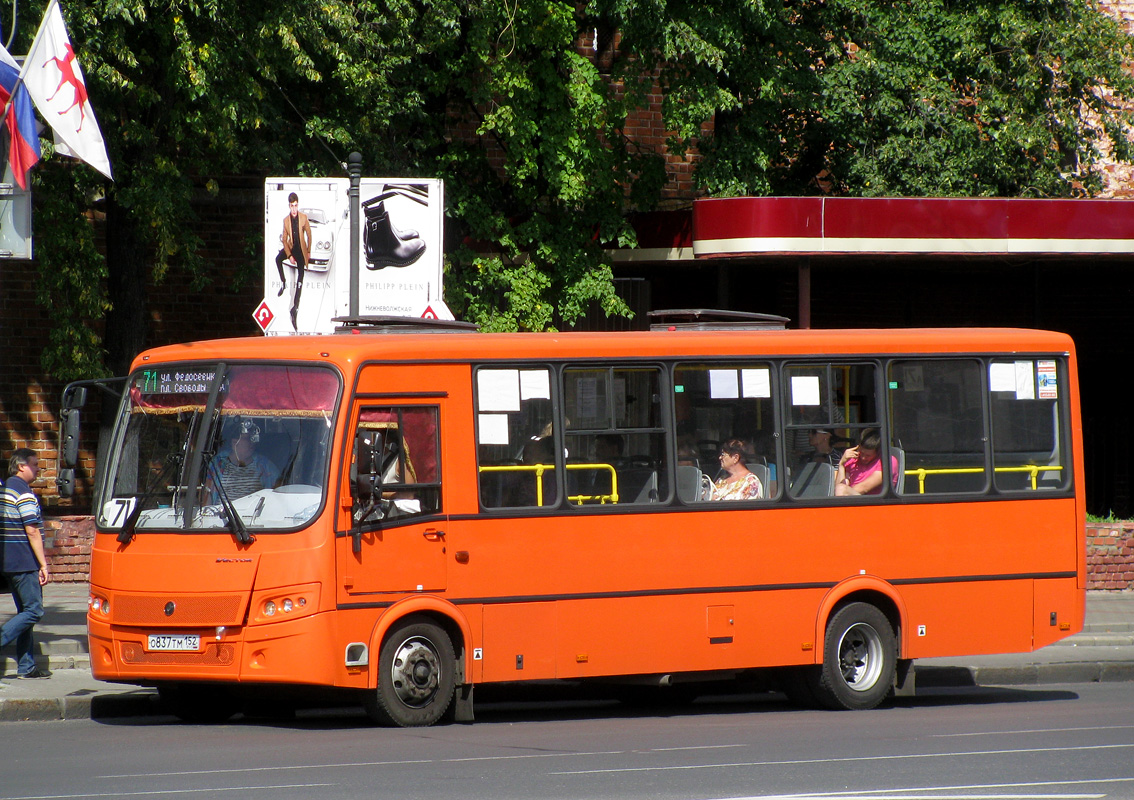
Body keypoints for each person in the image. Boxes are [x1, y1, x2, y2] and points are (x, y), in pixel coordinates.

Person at [0, 448, 51, 679]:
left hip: (8, 561)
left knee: (24, 611)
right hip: (24, 561)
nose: (38, 468)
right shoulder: (24, 493)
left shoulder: (5, 489)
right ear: (21, 466)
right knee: (34, 610)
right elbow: (32, 530)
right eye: (34, 464)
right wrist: (43, 564)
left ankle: (26, 666)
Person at [208, 420, 280, 501]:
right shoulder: (217, 464)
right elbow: (207, 497)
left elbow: (278, 493)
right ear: (234, 442)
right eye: (247, 439)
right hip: (222, 513)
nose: (251, 442)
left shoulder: (265, 465)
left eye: (253, 439)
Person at [274, 192, 312, 331]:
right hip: (291, 247)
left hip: (300, 249)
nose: (294, 209)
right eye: (292, 206)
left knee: (300, 277)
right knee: (278, 259)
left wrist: (308, 251)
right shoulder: (286, 220)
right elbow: (284, 239)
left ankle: (295, 307)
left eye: (296, 206)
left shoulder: (303, 217)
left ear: (298, 205)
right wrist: (289, 255)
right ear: (289, 206)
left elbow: (309, 233)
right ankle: (283, 283)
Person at [835, 428, 898, 496]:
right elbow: (839, 487)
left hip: (874, 501)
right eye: (861, 453)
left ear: (878, 452)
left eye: (868, 455)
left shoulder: (887, 461)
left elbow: (864, 488)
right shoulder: (853, 459)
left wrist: (844, 491)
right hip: (853, 498)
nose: (863, 457)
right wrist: (841, 465)